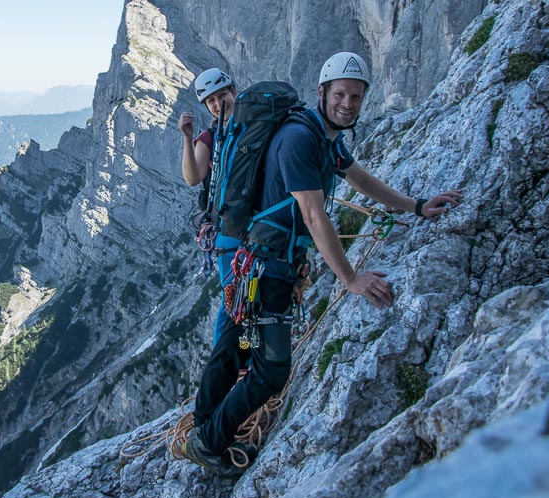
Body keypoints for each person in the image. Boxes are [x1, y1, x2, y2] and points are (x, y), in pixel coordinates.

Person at [181, 52, 463, 476]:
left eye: (355, 96)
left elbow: (360, 179)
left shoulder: (324, 137)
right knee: (271, 371)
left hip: (258, 262)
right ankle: (207, 441)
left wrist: (416, 206)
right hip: (266, 269)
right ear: (322, 94)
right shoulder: (300, 139)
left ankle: (205, 422)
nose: (347, 103)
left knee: (232, 341)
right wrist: (349, 278)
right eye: (340, 94)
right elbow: (314, 215)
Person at [179, 68, 240, 345]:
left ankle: (249, 357)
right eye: (211, 101)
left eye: (222, 96)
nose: (218, 104)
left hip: (255, 222)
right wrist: (186, 137)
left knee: (251, 295)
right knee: (233, 296)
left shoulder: (254, 130)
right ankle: (229, 362)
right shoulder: (209, 138)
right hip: (228, 226)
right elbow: (193, 177)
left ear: (233, 93)